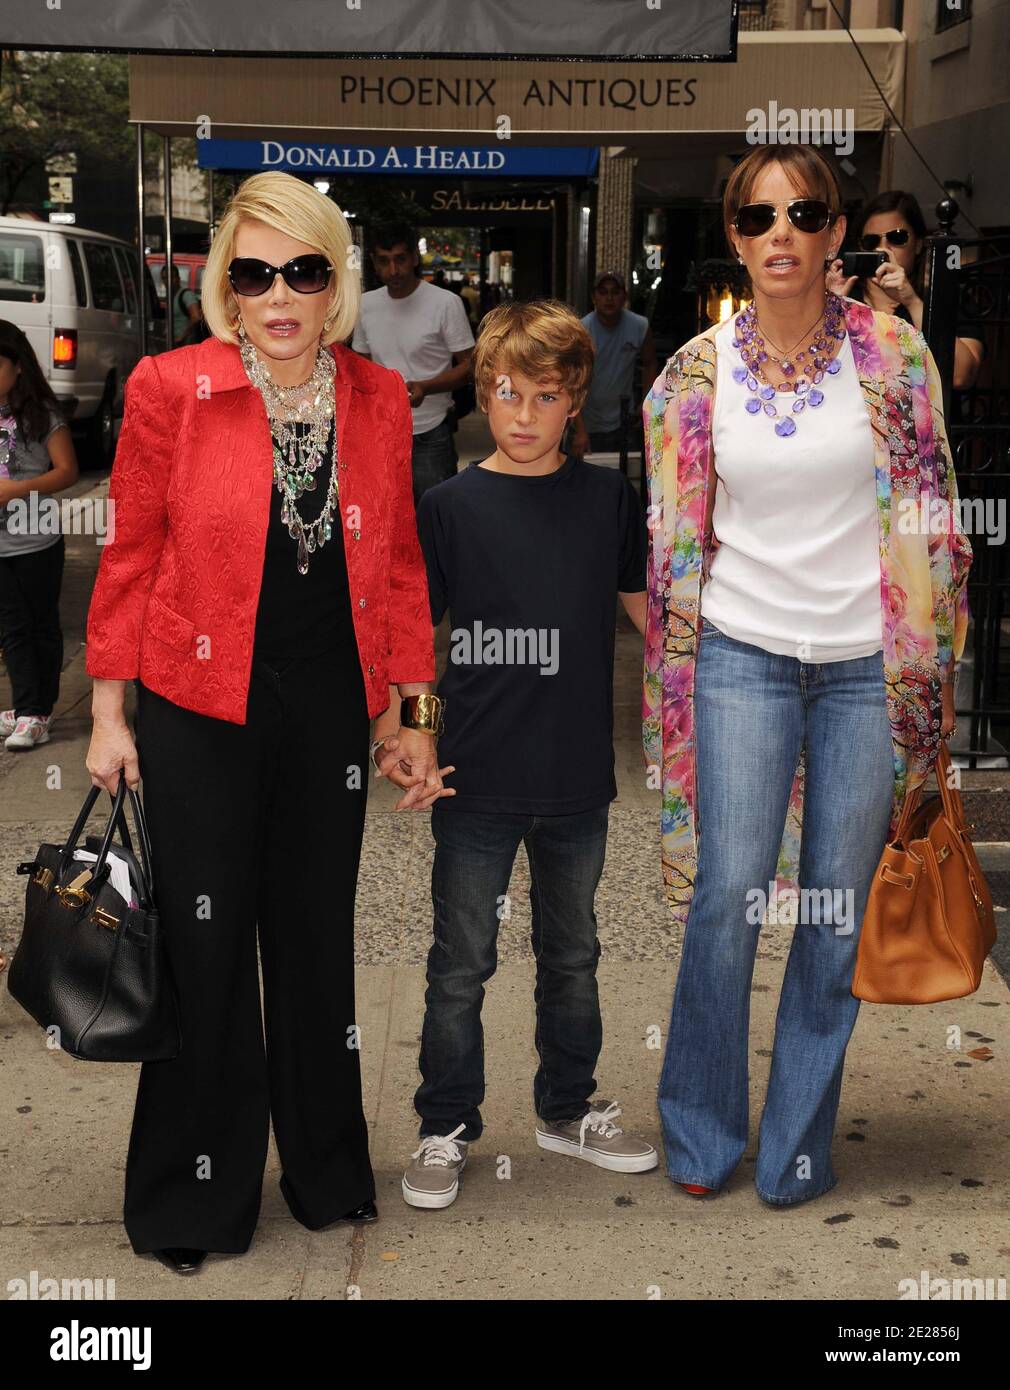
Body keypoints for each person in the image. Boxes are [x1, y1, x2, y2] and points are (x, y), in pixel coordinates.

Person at [84, 172, 451, 1274]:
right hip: (200, 705)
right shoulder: (168, 387)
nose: (279, 295)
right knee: (203, 946)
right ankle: (195, 1196)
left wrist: (415, 716)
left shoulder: (377, 397)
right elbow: (131, 554)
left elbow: (397, 570)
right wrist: (109, 714)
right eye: (254, 272)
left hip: (326, 703)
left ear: (335, 282)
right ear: (226, 288)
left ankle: (328, 1169)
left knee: (310, 940)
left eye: (303, 270)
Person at [644, 145, 972, 1206]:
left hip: (866, 670)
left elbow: (936, 521)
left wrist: (934, 683)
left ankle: (795, 1142)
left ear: (836, 231)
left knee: (833, 910)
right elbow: (670, 551)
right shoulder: (691, 377)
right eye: (755, 213)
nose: (779, 230)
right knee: (727, 895)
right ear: (733, 236)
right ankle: (697, 1128)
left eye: (804, 211)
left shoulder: (894, 358)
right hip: (740, 654)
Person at [377, 298, 657, 1211]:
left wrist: (704, 695)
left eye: (546, 395)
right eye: (506, 393)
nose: (525, 413)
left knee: (573, 955)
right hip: (478, 777)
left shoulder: (610, 500)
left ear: (576, 400)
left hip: (578, 781)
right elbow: (416, 634)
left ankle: (567, 1108)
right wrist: (412, 733)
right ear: (482, 398)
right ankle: (444, 1124)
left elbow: (648, 617)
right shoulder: (449, 506)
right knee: (461, 962)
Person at [352, 222, 475, 505]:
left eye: (400, 259)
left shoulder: (445, 303)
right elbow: (362, 364)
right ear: (373, 263)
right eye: (384, 261)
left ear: (415, 258)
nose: (393, 270)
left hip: (430, 433)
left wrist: (426, 387)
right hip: (381, 432)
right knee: (385, 518)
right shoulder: (365, 304)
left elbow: (471, 366)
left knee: (434, 520)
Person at [0, 321, 79, 751]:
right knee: (12, 626)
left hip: (36, 540)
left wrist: (16, 490)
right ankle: (28, 706)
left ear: (18, 368)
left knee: (39, 624)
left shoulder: (41, 415)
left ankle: (35, 712)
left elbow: (66, 472)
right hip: (2, 544)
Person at [827, 190, 985, 390]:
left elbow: (960, 376)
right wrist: (828, 303)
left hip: (922, 418)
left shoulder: (942, 296)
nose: (882, 249)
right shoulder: (846, 295)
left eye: (897, 238)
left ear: (918, 244)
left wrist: (912, 302)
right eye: (871, 241)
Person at [571, 271, 657, 457]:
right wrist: (580, 430)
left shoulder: (639, 326)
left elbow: (650, 363)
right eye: (603, 292)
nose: (609, 298)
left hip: (624, 422)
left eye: (615, 292)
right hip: (589, 421)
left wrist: (646, 402)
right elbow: (570, 382)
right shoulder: (581, 331)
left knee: (626, 478)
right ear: (594, 297)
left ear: (624, 296)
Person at [160, 264, 202, 347]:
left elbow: (196, 317)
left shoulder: (186, 295)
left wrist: (182, 337)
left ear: (178, 278)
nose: (168, 281)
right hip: (174, 343)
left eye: (171, 277)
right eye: (164, 278)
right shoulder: (170, 297)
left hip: (185, 345)